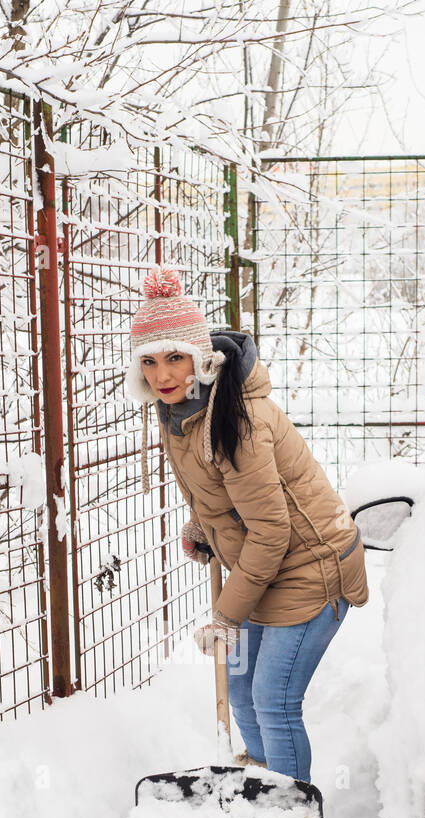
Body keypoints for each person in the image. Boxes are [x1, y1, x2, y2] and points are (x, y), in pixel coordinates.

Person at [125, 266, 368, 787]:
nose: (163, 374)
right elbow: (224, 493)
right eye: (149, 360)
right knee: (238, 690)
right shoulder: (179, 411)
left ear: (200, 357)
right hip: (261, 566)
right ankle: (263, 782)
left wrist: (225, 616)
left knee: (272, 699)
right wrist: (203, 526)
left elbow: (272, 531)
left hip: (310, 566)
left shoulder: (236, 419)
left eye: (175, 357)